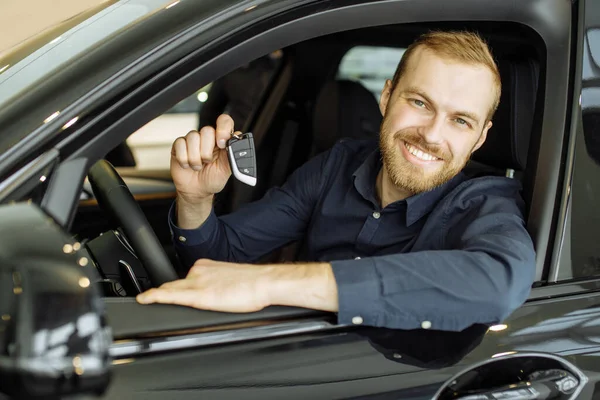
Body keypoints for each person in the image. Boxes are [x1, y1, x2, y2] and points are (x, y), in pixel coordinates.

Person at [136, 31, 536, 332]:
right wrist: (195, 200)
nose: (432, 135)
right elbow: (218, 259)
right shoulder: (337, 166)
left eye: (460, 120)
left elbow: (499, 283)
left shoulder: (486, 202)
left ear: (480, 137)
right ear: (387, 97)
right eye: (419, 103)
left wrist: (269, 283)